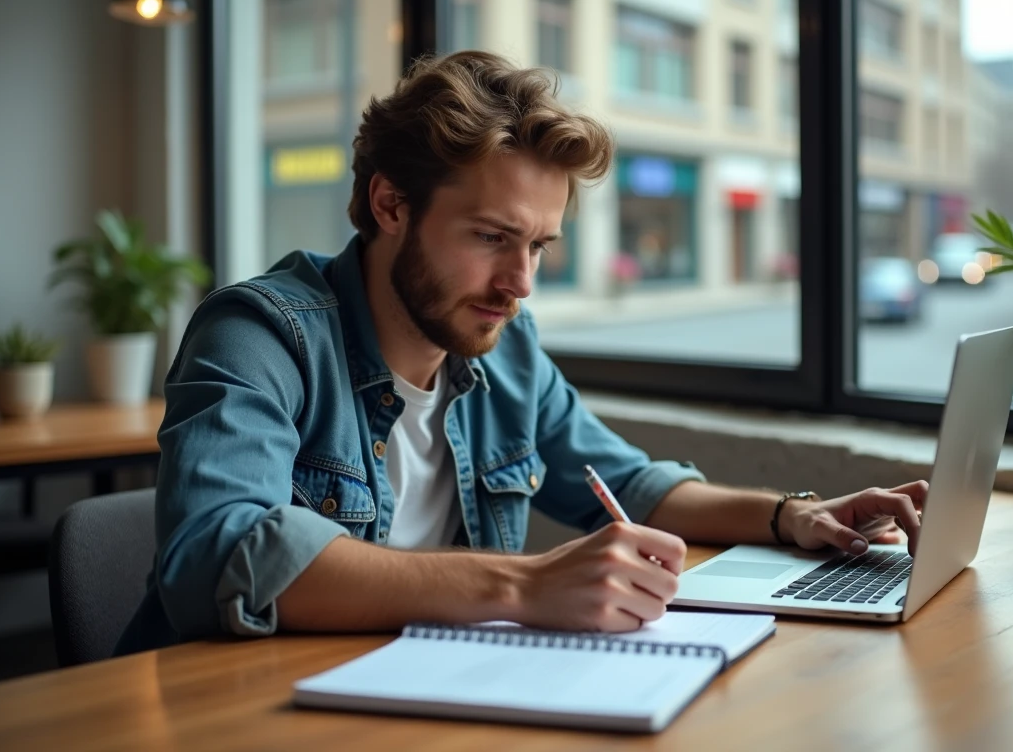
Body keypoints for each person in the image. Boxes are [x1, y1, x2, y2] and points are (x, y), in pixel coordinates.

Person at [115, 51, 927, 654]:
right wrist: (524, 584)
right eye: (493, 238)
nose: (520, 283)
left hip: (416, 694)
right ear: (389, 203)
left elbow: (630, 484)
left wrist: (792, 516)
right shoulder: (260, 334)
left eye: (539, 246)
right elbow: (217, 558)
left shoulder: (504, 347)